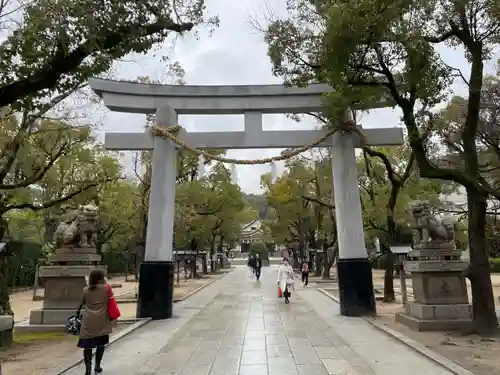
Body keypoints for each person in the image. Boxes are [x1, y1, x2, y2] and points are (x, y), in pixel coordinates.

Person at [78, 268, 114, 375]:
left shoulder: (85, 290)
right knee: (100, 344)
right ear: (101, 278)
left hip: (88, 320)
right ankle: (97, 366)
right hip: (102, 320)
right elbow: (110, 299)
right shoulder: (107, 289)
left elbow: (82, 302)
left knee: (87, 346)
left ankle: (88, 369)